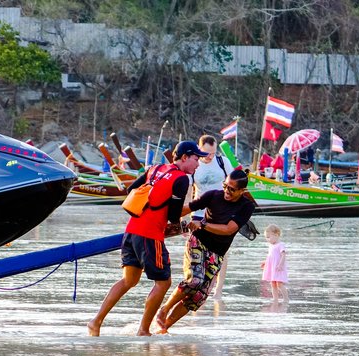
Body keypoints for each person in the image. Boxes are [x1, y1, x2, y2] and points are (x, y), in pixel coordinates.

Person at [88, 141, 204, 337]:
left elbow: (131, 189)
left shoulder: (156, 168)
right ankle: (143, 330)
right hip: (150, 236)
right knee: (163, 283)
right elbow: (174, 216)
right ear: (185, 157)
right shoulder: (182, 179)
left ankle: (95, 321)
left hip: (131, 231)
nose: (197, 164)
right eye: (196, 159)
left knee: (128, 280)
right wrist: (189, 216)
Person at [154, 168, 256, 333]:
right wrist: (161, 217)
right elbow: (184, 209)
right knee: (195, 280)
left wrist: (203, 224)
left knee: (198, 296)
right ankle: (164, 309)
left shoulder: (246, 206)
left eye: (232, 189)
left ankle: (164, 327)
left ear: (242, 191)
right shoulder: (213, 195)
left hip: (217, 253)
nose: (226, 191)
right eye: (225, 186)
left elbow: (229, 229)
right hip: (199, 242)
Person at [189, 135, 234, 306]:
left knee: (221, 254)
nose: (209, 157)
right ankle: (197, 286)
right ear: (199, 149)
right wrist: (182, 216)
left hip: (220, 213)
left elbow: (234, 186)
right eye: (206, 153)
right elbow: (189, 189)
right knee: (197, 253)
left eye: (213, 153)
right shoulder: (194, 164)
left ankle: (217, 290)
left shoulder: (222, 162)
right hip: (198, 212)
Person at [260, 224, 289, 305]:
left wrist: (280, 264)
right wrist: (265, 263)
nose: (267, 239)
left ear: (276, 235)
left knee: (279, 284)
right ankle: (275, 299)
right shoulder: (271, 245)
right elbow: (270, 256)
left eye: (269, 237)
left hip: (278, 267)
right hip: (272, 267)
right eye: (266, 237)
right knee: (273, 283)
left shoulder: (280, 245)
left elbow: (283, 255)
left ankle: (286, 299)